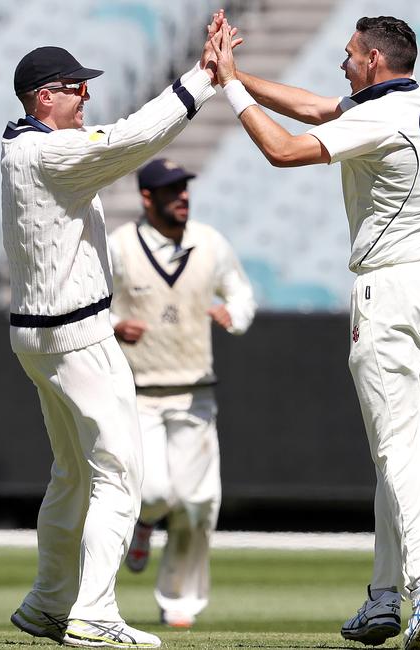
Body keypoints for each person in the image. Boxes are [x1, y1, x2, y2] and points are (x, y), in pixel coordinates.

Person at [210, 15, 420, 650]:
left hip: (392, 294)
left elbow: (281, 149)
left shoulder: (377, 117)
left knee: (400, 452)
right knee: (404, 449)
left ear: (375, 63)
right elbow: (318, 106)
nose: (342, 64)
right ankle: (385, 595)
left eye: (350, 55)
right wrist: (234, 73)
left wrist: (229, 92)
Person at [2, 11, 239, 648]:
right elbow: (131, 141)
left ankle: (49, 602)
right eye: (75, 87)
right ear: (42, 96)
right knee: (119, 473)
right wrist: (201, 81)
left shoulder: (22, 147)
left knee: (72, 474)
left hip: (38, 336)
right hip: (77, 336)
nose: (87, 95)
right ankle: (93, 611)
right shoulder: (52, 151)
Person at [109, 158, 255, 627]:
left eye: (185, 189)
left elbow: (241, 293)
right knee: (153, 490)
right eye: (171, 191)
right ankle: (144, 520)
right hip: (138, 392)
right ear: (147, 198)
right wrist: (114, 325)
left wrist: (235, 316)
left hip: (195, 392)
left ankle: (178, 600)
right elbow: (89, 304)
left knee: (199, 501)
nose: (183, 197)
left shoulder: (209, 243)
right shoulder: (119, 247)